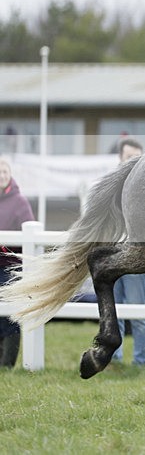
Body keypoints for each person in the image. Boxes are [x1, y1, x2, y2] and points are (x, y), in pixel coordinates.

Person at [112, 138, 145, 367]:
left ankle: (142, 361)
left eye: (137, 157)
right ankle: (114, 358)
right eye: (129, 157)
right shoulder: (110, 188)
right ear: (120, 158)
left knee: (138, 312)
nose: (133, 161)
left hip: (135, 258)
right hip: (111, 256)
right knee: (112, 311)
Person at [0, 157, 34, 368]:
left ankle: (7, 363)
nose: (2, 175)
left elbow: (29, 234)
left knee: (9, 315)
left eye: (5, 171)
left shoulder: (19, 202)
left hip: (9, 267)